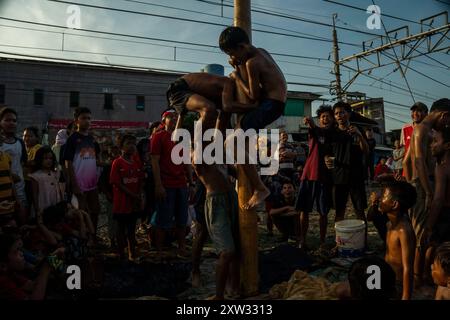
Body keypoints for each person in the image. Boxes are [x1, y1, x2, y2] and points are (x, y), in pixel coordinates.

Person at [219, 26, 288, 210]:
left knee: (232, 144)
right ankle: (249, 174)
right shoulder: (262, 52)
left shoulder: (251, 63)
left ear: (242, 46)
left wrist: (236, 75)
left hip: (269, 105)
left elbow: (252, 96)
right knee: (234, 142)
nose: (235, 58)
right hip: (275, 102)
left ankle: (259, 187)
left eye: (233, 53)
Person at [403, 98, 450, 286]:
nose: (447, 125)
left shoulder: (426, 131)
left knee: (426, 234)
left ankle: (421, 274)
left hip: (422, 184)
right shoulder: (422, 129)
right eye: (449, 120)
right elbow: (418, 162)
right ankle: (416, 279)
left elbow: (406, 160)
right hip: (423, 186)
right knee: (422, 235)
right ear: (444, 115)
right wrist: (427, 191)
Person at [151, 110, 191, 256]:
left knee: (182, 219)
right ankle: (159, 250)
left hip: (181, 183)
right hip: (166, 184)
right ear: (164, 119)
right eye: (171, 117)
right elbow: (154, 161)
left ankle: (182, 247)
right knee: (163, 219)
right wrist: (158, 184)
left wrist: (191, 182)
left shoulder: (182, 138)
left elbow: (186, 162)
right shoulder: (158, 136)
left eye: (176, 117)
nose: (174, 119)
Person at [325, 102, 369, 233]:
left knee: (360, 211)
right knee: (339, 212)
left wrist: (359, 136)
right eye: (337, 113)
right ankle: (340, 243)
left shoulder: (357, 130)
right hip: (338, 178)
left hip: (356, 176)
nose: (339, 115)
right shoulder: (331, 133)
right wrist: (326, 159)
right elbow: (327, 153)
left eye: (342, 112)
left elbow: (366, 151)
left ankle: (363, 242)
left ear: (348, 114)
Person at [296, 105, 334, 250]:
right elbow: (314, 129)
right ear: (320, 119)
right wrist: (310, 122)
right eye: (323, 116)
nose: (325, 118)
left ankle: (323, 241)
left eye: (328, 116)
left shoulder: (333, 134)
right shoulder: (314, 131)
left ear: (332, 119)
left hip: (324, 178)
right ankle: (302, 240)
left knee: (323, 212)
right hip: (308, 174)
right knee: (304, 210)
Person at [63, 107, 101, 232]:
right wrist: (74, 185)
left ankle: (93, 236)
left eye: (89, 118)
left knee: (95, 211)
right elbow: (68, 163)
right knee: (81, 214)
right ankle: (82, 241)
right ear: (76, 121)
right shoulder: (72, 139)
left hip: (92, 185)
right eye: (84, 118)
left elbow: (93, 161)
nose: (87, 121)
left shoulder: (91, 139)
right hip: (79, 185)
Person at [110, 134, 144, 261]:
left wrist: (138, 196)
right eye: (128, 143)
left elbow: (140, 180)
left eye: (134, 144)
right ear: (121, 146)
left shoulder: (136, 163)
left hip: (133, 202)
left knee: (131, 229)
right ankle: (121, 254)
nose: (132, 146)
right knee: (121, 228)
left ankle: (132, 253)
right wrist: (133, 195)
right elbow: (116, 182)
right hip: (121, 202)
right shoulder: (117, 162)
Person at [380, 181, 416, 300]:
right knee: (349, 288)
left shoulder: (404, 231)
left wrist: (406, 296)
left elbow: (408, 268)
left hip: (396, 284)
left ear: (394, 204)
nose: (380, 199)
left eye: (383, 196)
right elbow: (370, 216)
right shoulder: (389, 224)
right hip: (385, 277)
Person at [0, 107, 28, 224]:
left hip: (20, 190)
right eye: (7, 120)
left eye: (14, 120)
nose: (11, 123)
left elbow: (23, 164)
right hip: (3, 192)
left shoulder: (20, 142)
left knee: (21, 222)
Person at [28, 147, 63, 217]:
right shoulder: (36, 176)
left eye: (50, 158)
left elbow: (59, 189)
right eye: (45, 158)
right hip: (42, 204)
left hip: (55, 203)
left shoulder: (55, 173)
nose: (49, 161)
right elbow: (35, 194)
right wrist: (37, 209)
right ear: (39, 159)